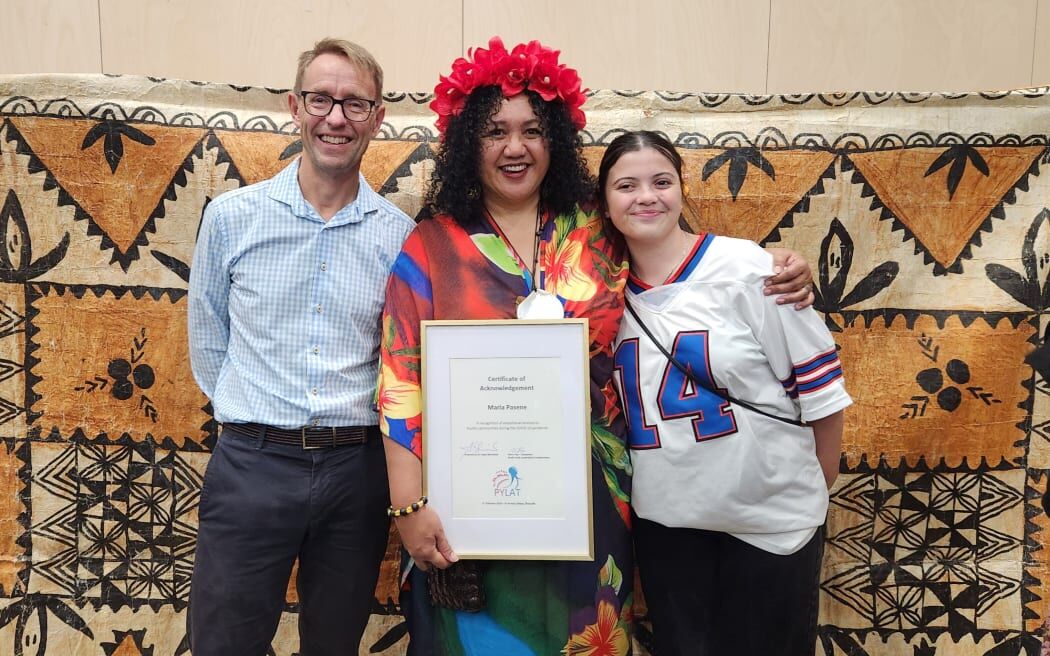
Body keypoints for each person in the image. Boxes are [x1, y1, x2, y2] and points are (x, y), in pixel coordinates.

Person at [378, 38, 815, 655]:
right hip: (466, 511)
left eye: (532, 129)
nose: (514, 147)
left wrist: (770, 264)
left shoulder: (597, 226)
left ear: (554, 137)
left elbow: (677, 260)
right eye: (494, 130)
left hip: (590, 507)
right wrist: (409, 506)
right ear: (465, 142)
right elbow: (400, 381)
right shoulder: (429, 246)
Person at [186, 38, 415, 655]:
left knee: (335, 645)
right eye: (321, 99)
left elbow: (403, 363)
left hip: (356, 473)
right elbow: (208, 342)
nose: (336, 118)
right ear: (295, 105)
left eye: (354, 104)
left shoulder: (401, 240)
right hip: (252, 464)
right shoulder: (233, 218)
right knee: (222, 643)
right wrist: (257, 418)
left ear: (377, 117)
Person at [598, 131, 852, 656]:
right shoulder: (597, 292)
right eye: (627, 185)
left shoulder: (751, 270)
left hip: (770, 526)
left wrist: (809, 491)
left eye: (661, 181)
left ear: (681, 189)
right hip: (669, 528)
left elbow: (822, 395)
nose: (646, 196)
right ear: (604, 202)